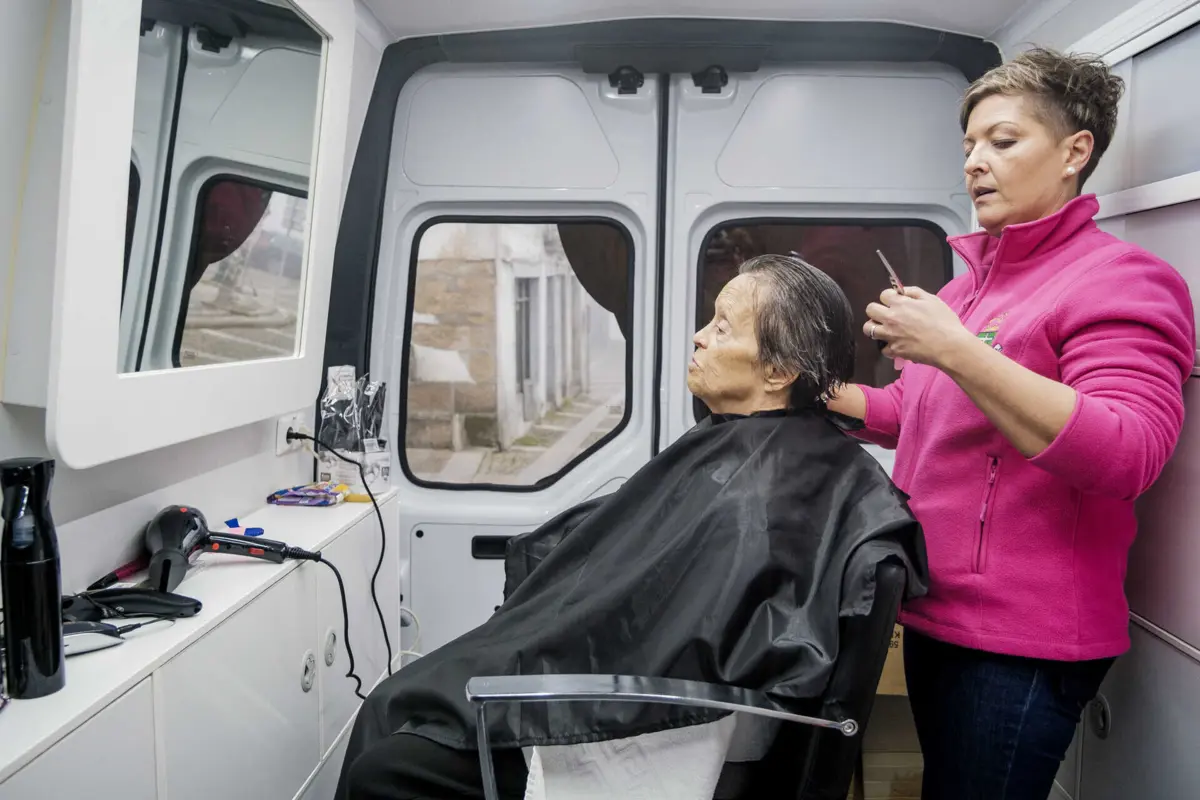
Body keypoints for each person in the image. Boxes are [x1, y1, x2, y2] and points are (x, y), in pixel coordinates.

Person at [336, 255, 929, 800]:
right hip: (636, 686)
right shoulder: (759, 456)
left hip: (663, 725)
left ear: (778, 370)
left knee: (385, 766)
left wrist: (544, 630)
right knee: (394, 705)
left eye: (723, 327)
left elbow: (680, 634)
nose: (699, 336)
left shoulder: (772, 492)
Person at [826, 47, 1196, 799]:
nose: (974, 164)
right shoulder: (964, 293)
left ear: (1074, 153)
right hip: (938, 610)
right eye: (968, 147)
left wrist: (956, 352)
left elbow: (1128, 450)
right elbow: (920, 413)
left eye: (1002, 141)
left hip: (1023, 640)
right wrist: (816, 394)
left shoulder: (1123, 279)